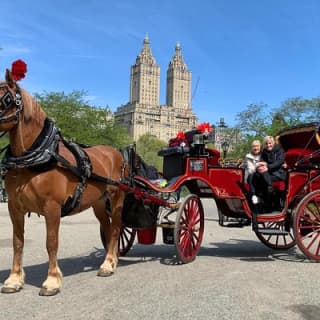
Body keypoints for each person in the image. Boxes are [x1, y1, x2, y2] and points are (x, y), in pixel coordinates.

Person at [254, 135, 286, 202]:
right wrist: (260, 167)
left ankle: (270, 189)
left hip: (278, 173)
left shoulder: (279, 150)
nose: (268, 145)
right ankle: (258, 197)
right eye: (266, 143)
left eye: (270, 143)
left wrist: (267, 167)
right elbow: (262, 161)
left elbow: (279, 162)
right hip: (268, 173)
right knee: (254, 175)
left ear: (273, 143)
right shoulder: (264, 152)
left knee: (263, 175)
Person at [244, 140, 261, 204]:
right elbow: (251, 169)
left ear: (260, 147)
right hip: (253, 175)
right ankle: (253, 194)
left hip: (262, 174)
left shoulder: (263, 154)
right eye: (254, 146)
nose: (256, 148)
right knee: (251, 176)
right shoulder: (248, 156)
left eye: (257, 146)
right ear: (251, 148)